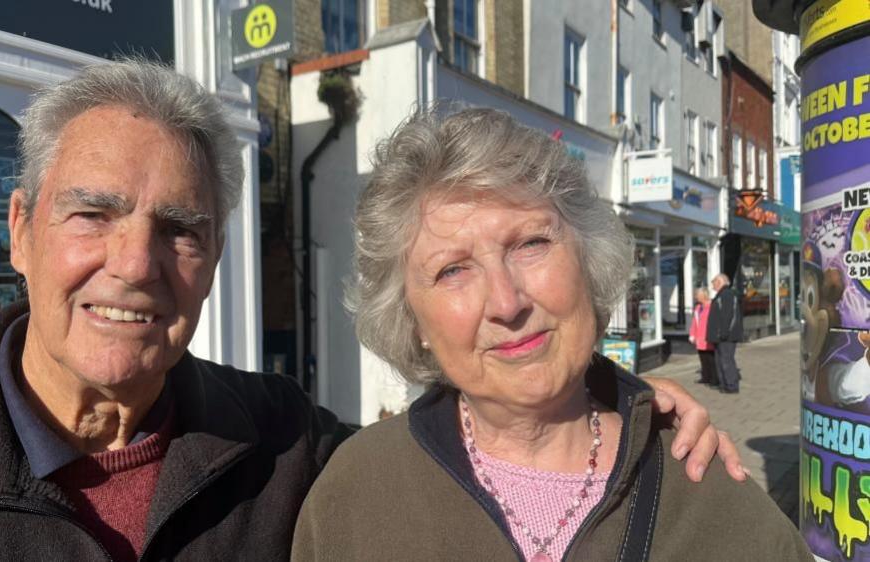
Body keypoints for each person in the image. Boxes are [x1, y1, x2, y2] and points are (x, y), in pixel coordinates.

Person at [0, 61, 738, 561]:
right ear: (19, 231)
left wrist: (620, 399)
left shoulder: (283, 442)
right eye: (92, 214)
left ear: (211, 259)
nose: (133, 264)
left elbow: (494, 399)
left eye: (179, 229)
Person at [292, 108, 809, 561]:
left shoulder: (705, 488)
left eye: (531, 244)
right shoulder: (357, 493)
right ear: (414, 322)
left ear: (588, 260)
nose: (507, 302)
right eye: (452, 270)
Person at [707, 273, 743, 394]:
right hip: (720, 336)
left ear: (720, 282)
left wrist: (723, 333)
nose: (713, 287)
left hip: (725, 337)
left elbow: (727, 316)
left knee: (726, 361)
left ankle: (731, 386)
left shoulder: (726, 295)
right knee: (720, 361)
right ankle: (724, 385)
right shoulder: (721, 295)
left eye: (714, 284)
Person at [688, 287, 717, 387]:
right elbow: (694, 323)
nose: (695, 297)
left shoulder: (712, 306)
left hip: (709, 338)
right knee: (703, 359)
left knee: (711, 360)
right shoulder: (697, 308)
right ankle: (705, 378)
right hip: (699, 338)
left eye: (697, 295)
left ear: (703, 295)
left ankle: (714, 379)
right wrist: (692, 334)